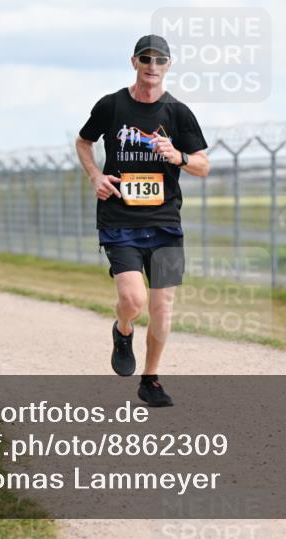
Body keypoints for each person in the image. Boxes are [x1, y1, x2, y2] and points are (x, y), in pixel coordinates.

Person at [75, 34, 209, 407]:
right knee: (133, 300)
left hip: (165, 222)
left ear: (168, 65)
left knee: (162, 307)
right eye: (146, 59)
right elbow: (84, 142)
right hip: (120, 219)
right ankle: (123, 330)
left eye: (160, 60)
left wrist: (178, 156)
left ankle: (150, 380)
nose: (153, 66)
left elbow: (202, 165)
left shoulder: (178, 112)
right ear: (134, 62)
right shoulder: (112, 105)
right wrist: (95, 176)